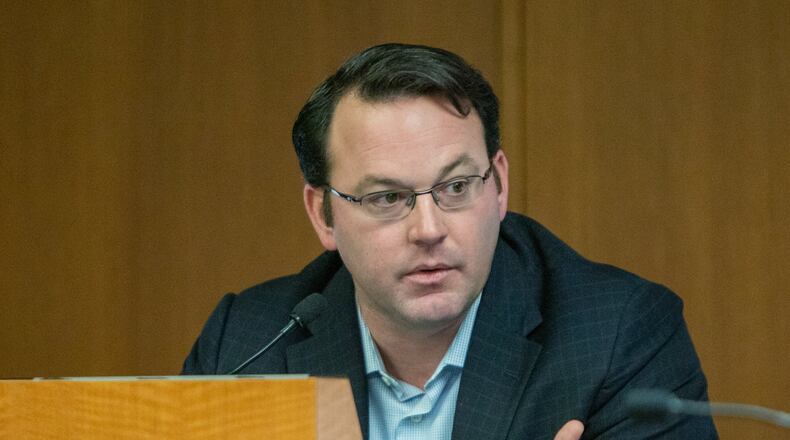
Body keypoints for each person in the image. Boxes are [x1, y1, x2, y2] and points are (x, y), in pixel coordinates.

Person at [183, 43, 717, 440]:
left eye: (456, 187)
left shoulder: (618, 336)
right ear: (323, 215)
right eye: (388, 198)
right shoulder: (246, 347)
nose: (430, 228)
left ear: (500, 185)